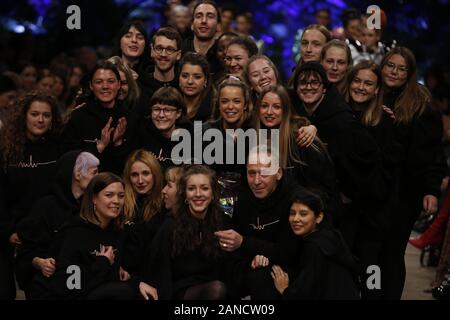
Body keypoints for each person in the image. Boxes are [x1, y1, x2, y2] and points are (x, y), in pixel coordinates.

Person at [290, 61, 386, 251]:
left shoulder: (342, 119)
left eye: (314, 82)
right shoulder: (295, 111)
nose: (308, 87)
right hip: (306, 201)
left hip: (340, 208)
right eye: (303, 82)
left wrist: (347, 193)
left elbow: (368, 158)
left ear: (324, 88)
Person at [381, 47, 446, 299]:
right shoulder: (373, 94)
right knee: (375, 252)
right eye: (390, 66)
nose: (395, 72)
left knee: (392, 252)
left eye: (401, 68)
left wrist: (431, 189)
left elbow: (432, 153)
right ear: (382, 66)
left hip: (404, 192)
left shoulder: (421, 104)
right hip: (375, 189)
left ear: (410, 73)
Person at [31, 172, 139, 300]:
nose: (116, 201)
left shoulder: (118, 232)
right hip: (60, 295)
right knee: (123, 291)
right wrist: (103, 263)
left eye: (121, 196)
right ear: (94, 198)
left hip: (90, 292)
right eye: (109, 195)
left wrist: (125, 276)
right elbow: (70, 286)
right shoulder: (74, 232)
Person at [214, 146, 300, 299]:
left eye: (265, 173)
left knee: (262, 279)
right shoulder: (239, 196)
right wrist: (250, 261)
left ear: (278, 173)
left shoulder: (294, 200)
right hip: (248, 262)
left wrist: (244, 243)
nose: (257, 181)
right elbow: (228, 247)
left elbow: (291, 252)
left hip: (284, 267)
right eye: (251, 173)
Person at [0, 91, 62, 300]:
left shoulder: (57, 148)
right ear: (24, 116)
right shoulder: (5, 149)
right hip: (9, 233)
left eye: (46, 115)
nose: (40, 120)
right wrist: (9, 231)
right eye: (35, 114)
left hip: (44, 234)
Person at [15, 151, 99, 297]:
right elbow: (25, 252)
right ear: (78, 174)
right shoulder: (45, 207)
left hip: (83, 280)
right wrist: (39, 262)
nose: (99, 177)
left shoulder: (93, 206)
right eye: (94, 172)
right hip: (47, 281)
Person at [139, 165, 227, 300]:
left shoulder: (222, 221)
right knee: (216, 289)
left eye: (204, 188)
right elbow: (158, 269)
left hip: (212, 284)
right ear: (184, 194)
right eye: (191, 189)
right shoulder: (170, 224)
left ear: (213, 193)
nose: (198, 194)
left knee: (219, 288)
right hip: (179, 290)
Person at [254, 85, 338, 219]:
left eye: (276, 107)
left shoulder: (301, 137)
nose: (269, 112)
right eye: (264, 106)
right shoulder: (255, 137)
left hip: (302, 218)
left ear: (286, 110)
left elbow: (323, 188)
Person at [268, 189, 360, 299]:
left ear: (319, 217)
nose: (295, 219)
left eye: (303, 214)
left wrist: (284, 289)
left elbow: (304, 293)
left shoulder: (314, 246)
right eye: (292, 213)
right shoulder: (332, 237)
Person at [61, 61, 128, 174]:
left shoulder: (129, 118)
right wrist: (99, 147)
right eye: (99, 82)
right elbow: (68, 159)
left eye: (111, 81)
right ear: (91, 86)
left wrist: (118, 143)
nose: (105, 86)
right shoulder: (78, 117)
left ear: (119, 85)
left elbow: (130, 165)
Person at [122, 149, 165, 276]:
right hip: (125, 275)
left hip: (154, 274)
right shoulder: (120, 203)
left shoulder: (164, 205)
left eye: (146, 173)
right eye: (134, 175)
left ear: (155, 174)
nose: (140, 181)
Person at [128, 86, 191, 170]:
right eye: (156, 109)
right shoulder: (141, 133)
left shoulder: (190, 138)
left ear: (178, 113)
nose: (161, 115)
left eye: (167, 110)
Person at [181, 0, 223, 79]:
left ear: (218, 26)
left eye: (210, 16)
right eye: (199, 16)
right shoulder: (180, 51)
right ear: (192, 25)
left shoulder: (224, 55)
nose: (204, 21)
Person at [178, 52, 213, 122]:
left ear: (205, 80)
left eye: (197, 77)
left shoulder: (213, 107)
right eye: (185, 76)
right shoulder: (170, 102)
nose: (190, 81)